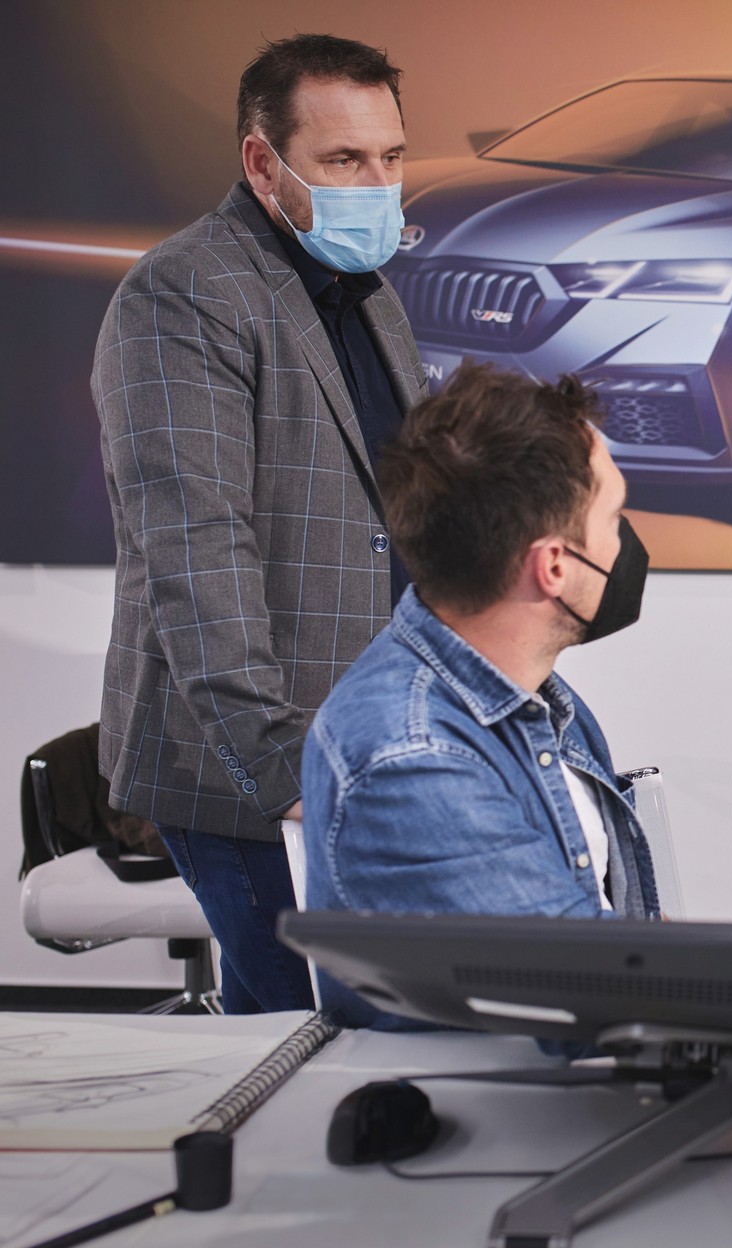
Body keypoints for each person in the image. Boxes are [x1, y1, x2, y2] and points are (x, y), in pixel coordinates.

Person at [94, 34, 424, 1012]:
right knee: (297, 1039)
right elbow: (193, 549)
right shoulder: (184, 293)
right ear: (259, 161)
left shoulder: (365, 289)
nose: (377, 186)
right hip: (252, 770)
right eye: (343, 161)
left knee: (367, 1037)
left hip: (363, 747)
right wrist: (281, 772)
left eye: (392, 158)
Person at [302, 363, 659, 1026]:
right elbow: (591, 993)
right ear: (553, 566)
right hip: (488, 1112)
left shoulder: (540, 696)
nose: (626, 542)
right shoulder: (409, 758)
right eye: (613, 517)